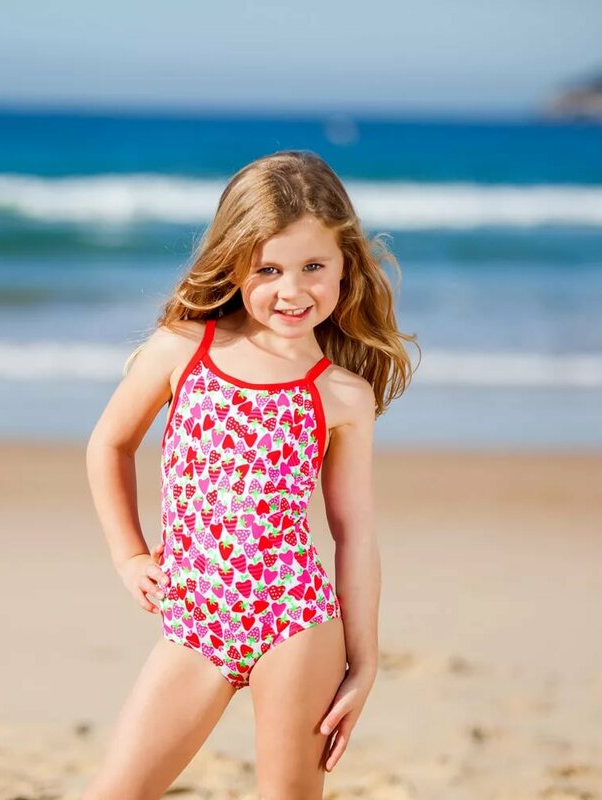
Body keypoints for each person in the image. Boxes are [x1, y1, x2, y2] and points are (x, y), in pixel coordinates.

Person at [83, 150, 417, 798]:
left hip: (297, 622)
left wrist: (365, 660)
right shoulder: (184, 348)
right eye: (268, 269)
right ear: (234, 263)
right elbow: (109, 444)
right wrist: (129, 555)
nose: (292, 290)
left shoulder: (341, 395)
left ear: (345, 265)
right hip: (194, 624)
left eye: (313, 267)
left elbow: (355, 532)